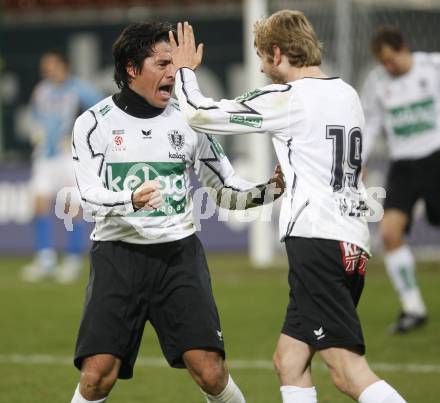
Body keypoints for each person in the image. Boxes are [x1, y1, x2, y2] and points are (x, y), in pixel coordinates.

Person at [170, 12, 407, 403]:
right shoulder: (346, 93)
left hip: (317, 241)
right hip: (351, 241)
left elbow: (200, 114)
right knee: (290, 360)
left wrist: (184, 71)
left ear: (277, 52)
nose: (261, 67)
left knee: (348, 373)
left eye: (262, 56)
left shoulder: (288, 97)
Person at [69, 21, 284, 403]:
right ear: (132, 69)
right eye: (162, 64)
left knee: (211, 372)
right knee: (97, 375)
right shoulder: (93, 124)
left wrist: (269, 191)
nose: (174, 73)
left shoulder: (190, 121)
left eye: (176, 64)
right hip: (117, 257)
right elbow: (87, 197)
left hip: (178, 257)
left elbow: (226, 192)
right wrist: (129, 200)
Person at [361, 26, 439, 333]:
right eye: (383, 63)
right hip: (403, 165)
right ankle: (413, 307)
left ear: (404, 48)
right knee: (390, 234)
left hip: (436, 158)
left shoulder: (432, 67)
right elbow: (372, 125)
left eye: (392, 60)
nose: (388, 67)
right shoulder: (377, 82)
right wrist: (362, 160)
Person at [22, 51, 104, 283]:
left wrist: (80, 139)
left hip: (69, 157)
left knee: (71, 207)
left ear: (63, 66)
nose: (47, 71)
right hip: (44, 158)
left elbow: (102, 113)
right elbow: (34, 117)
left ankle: (72, 260)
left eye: (51, 66)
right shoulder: (41, 90)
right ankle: (45, 259)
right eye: (45, 67)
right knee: (39, 202)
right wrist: (36, 132)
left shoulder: (79, 89)